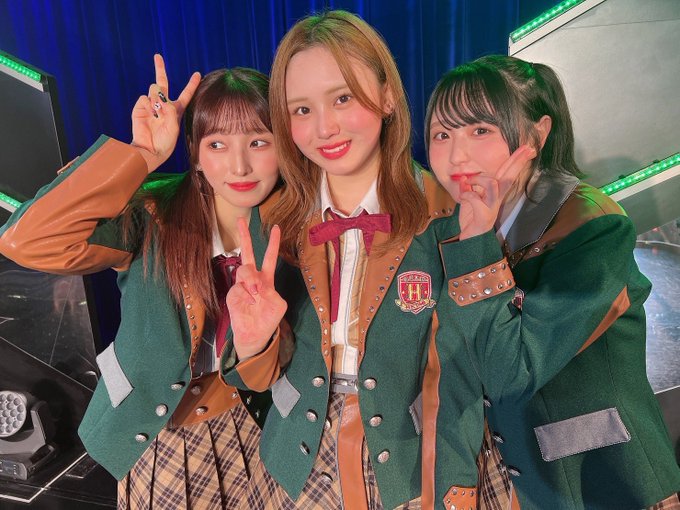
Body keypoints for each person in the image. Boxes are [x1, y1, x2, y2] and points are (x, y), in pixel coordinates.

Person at [219, 10, 509, 510]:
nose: (324, 127)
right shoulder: (274, 223)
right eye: (302, 109)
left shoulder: (448, 215)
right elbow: (256, 379)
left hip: (414, 466)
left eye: (343, 98)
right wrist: (251, 343)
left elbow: (489, 368)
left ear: (388, 97)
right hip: (296, 468)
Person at [0, 55, 279, 509]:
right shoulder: (151, 212)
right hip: (157, 434)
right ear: (195, 153)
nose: (240, 165)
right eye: (217, 144)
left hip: (256, 424)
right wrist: (141, 156)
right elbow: (26, 240)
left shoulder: (296, 228)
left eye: (259, 141)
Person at [426, 54, 680, 509]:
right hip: (498, 482)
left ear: (537, 134)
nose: (456, 155)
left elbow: (511, 373)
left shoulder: (592, 226)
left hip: (599, 484)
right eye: (442, 134)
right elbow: (453, 368)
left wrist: (477, 245)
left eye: (480, 130)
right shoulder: (454, 228)